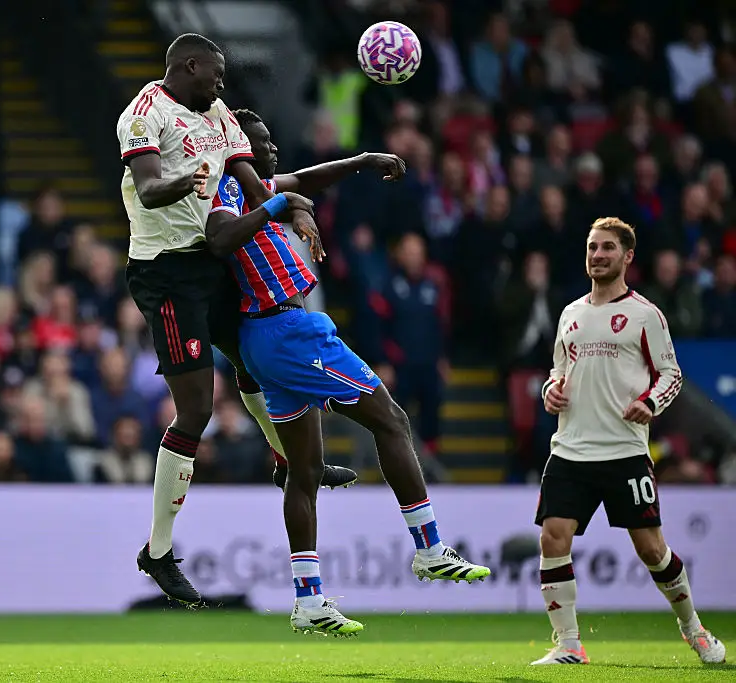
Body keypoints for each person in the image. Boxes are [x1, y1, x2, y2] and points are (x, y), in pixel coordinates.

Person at [205, 109, 491, 636]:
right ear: (241, 146)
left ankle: (308, 600)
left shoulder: (254, 183)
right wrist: (278, 204)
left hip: (268, 337)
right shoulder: (226, 186)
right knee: (392, 421)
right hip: (289, 331)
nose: (273, 150)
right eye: (263, 142)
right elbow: (220, 238)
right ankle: (428, 548)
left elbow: (307, 180)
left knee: (304, 470)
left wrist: (361, 160)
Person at [116, 33, 356, 605]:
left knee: (257, 359)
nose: (222, 84)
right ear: (189, 66)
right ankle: (158, 552)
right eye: (215, 74)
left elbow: (254, 187)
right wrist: (186, 180)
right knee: (197, 407)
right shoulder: (144, 114)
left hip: (210, 258)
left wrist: (290, 208)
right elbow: (150, 190)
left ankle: (290, 460)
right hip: (166, 273)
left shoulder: (219, 114)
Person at [533, 217, 725, 665]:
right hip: (571, 449)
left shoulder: (645, 315)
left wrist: (651, 402)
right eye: (592, 247)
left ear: (627, 257)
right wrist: (550, 390)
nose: (597, 255)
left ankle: (693, 627)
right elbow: (557, 371)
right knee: (552, 537)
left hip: (624, 452)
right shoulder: (571, 313)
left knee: (652, 549)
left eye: (607, 248)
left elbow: (671, 374)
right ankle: (568, 645)